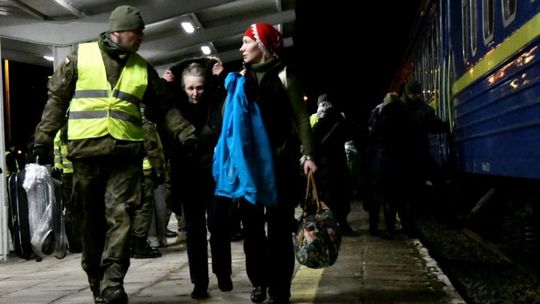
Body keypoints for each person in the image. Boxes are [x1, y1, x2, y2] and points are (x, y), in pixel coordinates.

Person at [31, 5, 198, 304]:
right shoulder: (80, 58)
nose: (142, 38)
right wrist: (43, 138)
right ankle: (95, 277)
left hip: (125, 156)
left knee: (120, 218)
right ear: (118, 32)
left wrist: (185, 133)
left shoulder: (142, 68)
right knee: (91, 224)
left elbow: (165, 107)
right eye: (137, 33)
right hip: (86, 156)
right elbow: (56, 100)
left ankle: (113, 285)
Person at [213, 23, 317, 304]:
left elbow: (301, 118)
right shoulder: (241, 78)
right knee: (253, 230)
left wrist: (308, 155)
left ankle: (280, 287)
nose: (241, 48)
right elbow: (229, 121)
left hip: (280, 165)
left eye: (246, 42)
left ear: (262, 45)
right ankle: (259, 281)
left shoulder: (285, 75)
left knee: (280, 229)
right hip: (250, 168)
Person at [168, 57, 233, 299]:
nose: (195, 93)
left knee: (218, 226)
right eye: (190, 88)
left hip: (215, 175)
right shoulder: (176, 106)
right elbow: (157, 107)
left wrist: (219, 72)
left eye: (199, 87)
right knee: (194, 232)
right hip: (188, 177)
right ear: (182, 88)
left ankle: (223, 273)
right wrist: (170, 78)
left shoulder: (216, 101)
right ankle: (200, 282)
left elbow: (228, 91)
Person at [400, 80, 447, 236]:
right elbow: (435, 126)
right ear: (408, 93)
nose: (417, 95)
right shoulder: (422, 110)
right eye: (415, 93)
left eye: (418, 92)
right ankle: (440, 217)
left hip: (408, 157)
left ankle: (410, 225)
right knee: (436, 181)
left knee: (410, 191)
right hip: (416, 155)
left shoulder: (398, 109)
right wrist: (445, 127)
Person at [311, 93, 355, 234]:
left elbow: (312, 144)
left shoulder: (317, 123)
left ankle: (328, 227)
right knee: (341, 195)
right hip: (339, 164)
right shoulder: (340, 121)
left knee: (326, 197)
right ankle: (342, 224)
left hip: (323, 167)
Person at [130, 115, 164, 259]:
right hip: (145, 172)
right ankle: (140, 245)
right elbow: (152, 148)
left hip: (128, 173)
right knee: (143, 208)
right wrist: (159, 170)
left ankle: (131, 244)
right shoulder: (144, 123)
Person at [53, 124, 83, 252]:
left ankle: (74, 244)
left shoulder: (59, 134)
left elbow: (57, 158)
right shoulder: (80, 129)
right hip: (81, 173)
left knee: (70, 209)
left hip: (67, 175)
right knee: (85, 208)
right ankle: (87, 242)